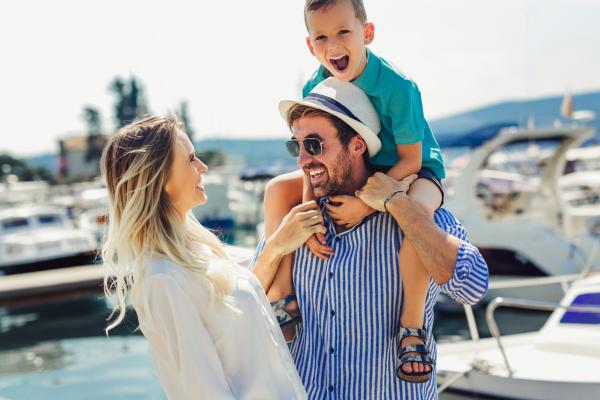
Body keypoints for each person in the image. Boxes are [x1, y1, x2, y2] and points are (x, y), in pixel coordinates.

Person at [253, 80, 488, 399]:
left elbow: (472, 287)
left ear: (357, 145)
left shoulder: (415, 215)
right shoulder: (295, 222)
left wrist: (399, 206)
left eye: (314, 145)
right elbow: (246, 302)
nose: (303, 161)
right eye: (297, 147)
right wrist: (277, 245)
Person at [264, 0, 445, 382]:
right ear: (310, 45)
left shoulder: (398, 87)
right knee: (277, 190)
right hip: (360, 166)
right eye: (322, 37)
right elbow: (314, 165)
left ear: (367, 33)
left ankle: (411, 326)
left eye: (344, 32)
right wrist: (310, 218)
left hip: (413, 171)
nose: (333, 44)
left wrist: (368, 204)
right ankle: (282, 296)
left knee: (415, 215)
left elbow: (412, 159)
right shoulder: (317, 85)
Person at [100, 115, 315, 399]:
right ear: (160, 177)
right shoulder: (163, 279)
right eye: (190, 159)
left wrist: (276, 246)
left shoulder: (199, 252)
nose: (203, 167)